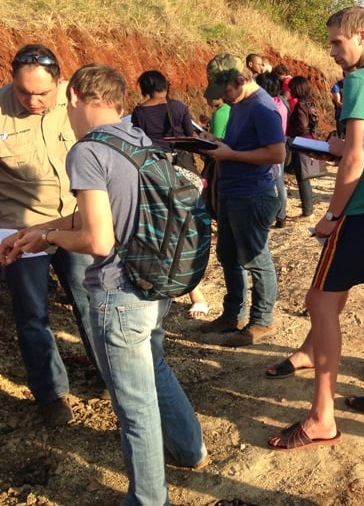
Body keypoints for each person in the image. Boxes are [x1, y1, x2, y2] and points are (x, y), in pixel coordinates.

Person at [3, 63, 209, 503]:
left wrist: (51, 238)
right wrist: (44, 231)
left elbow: (97, 239)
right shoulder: (136, 138)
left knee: (134, 408)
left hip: (119, 293)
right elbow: (105, 212)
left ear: (75, 97)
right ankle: (191, 449)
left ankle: (148, 499)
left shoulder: (87, 151)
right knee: (155, 367)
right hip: (153, 282)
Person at [267, 6, 364, 450]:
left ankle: (321, 418)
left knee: (319, 302)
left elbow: (356, 157)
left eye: (337, 42)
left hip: (363, 208)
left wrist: (332, 215)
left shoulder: (361, 80)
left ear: (363, 35)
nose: (333, 52)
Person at [0, 44, 102, 426]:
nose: (32, 99)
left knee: (90, 302)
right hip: (19, 226)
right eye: (24, 91)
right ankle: (51, 393)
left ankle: (108, 373)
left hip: (72, 220)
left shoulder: (73, 105)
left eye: (42, 92)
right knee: (32, 315)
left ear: (60, 83)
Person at [199, 54, 286, 347]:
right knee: (227, 255)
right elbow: (240, 144)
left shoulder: (262, 108)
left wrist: (231, 155)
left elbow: (277, 154)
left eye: (225, 91)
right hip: (231, 191)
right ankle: (232, 314)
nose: (222, 98)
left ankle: (261, 321)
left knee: (255, 259)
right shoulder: (238, 104)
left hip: (253, 194)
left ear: (240, 80)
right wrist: (216, 144)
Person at [130, 70, 209, 320]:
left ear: (144, 87)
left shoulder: (139, 112)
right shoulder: (177, 106)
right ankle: (193, 289)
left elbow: (137, 144)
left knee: (161, 231)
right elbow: (189, 136)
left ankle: (161, 285)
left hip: (155, 174)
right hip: (184, 171)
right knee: (186, 230)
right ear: (166, 85)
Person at [256, 71, 290, 229]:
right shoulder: (281, 102)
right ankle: (282, 215)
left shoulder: (265, 104)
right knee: (279, 180)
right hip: (281, 144)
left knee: (270, 182)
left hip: (268, 147)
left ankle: (272, 215)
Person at [286, 75, 319, 219]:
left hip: (301, 143)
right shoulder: (310, 103)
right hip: (309, 140)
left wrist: (292, 138)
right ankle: (308, 207)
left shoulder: (300, 105)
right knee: (305, 175)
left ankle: (307, 211)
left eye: (292, 87)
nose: (289, 90)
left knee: (302, 177)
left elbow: (302, 126)